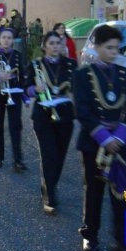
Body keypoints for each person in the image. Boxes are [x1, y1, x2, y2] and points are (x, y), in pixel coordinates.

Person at [73, 25, 126, 251]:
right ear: (97, 47)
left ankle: (124, 243)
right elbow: (83, 111)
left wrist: (118, 138)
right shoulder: (82, 75)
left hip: (120, 144)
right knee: (94, 191)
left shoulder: (123, 74)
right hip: (94, 143)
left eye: (116, 49)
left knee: (124, 195)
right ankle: (90, 235)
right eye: (108, 48)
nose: (113, 52)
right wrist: (105, 139)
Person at [24, 31, 76, 215]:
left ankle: (49, 183)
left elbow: (78, 87)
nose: (55, 46)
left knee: (60, 155)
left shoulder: (71, 65)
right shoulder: (36, 65)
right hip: (43, 115)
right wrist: (34, 89)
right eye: (51, 43)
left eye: (58, 43)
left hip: (65, 115)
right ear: (44, 46)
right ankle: (49, 194)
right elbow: (25, 89)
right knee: (49, 154)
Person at [0, 28, 27, 171]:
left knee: (15, 127)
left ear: (13, 40)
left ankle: (18, 160)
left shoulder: (18, 56)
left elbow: (23, 76)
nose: (6, 40)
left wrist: (25, 96)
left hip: (14, 94)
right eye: (4, 37)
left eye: (9, 38)